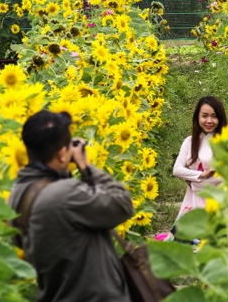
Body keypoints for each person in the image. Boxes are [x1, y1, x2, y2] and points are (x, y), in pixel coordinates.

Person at [8, 110, 134, 302]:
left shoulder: (17, 193)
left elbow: (21, 242)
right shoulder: (65, 194)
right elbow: (123, 204)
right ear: (61, 154)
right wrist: (84, 166)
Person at [173, 96, 228, 221]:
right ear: (197, 117)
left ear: (220, 118)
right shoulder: (190, 141)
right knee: (185, 236)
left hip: (217, 200)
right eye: (204, 116)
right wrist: (203, 175)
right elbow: (176, 170)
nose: (209, 121)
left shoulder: (225, 143)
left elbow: (225, 177)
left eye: (214, 116)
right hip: (192, 199)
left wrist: (192, 180)